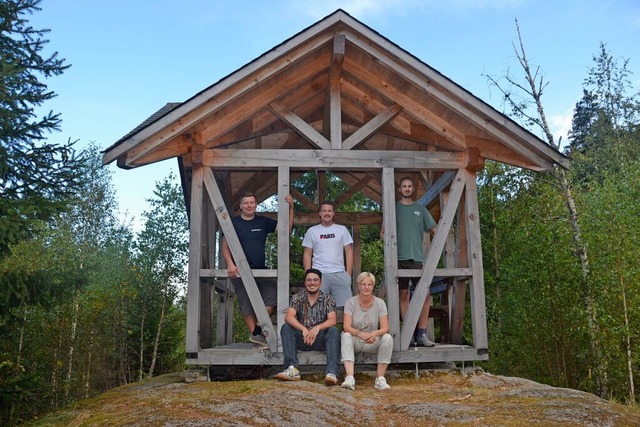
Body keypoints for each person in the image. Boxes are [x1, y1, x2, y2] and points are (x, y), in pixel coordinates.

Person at [221, 192, 294, 348]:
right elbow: (225, 245)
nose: (249, 205)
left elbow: (286, 229)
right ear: (240, 206)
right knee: (246, 303)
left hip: (261, 270)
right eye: (246, 203)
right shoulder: (233, 223)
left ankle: (257, 332)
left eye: (252, 202)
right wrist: (229, 264)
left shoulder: (262, 222)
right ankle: (257, 336)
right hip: (240, 271)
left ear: (256, 205)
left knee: (274, 295)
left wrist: (291, 207)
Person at [382, 177, 437, 347]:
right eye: (404, 186)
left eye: (409, 186)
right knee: (404, 295)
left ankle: (421, 334)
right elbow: (383, 233)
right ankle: (409, 334)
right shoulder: (393, 208)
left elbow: (435, 230)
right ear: (399, 189)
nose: (406, 189)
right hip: (398, 258)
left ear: (413, 189)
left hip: (417, 258)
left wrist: (434, 254)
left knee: (425, 295)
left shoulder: (420, 209)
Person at [276, 268, 341, 385]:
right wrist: (303, 329)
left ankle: (332, 373)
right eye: (309, 280)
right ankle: (292, 369)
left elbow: (332, 320)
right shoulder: (297, 298)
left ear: (320, 282)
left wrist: (317, 328)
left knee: (333, 330)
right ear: (305, 282)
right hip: (302, 338)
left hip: (320, 339)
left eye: (315, 280)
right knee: (286, 327)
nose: (312, 283)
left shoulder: (328, 299)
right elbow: (289, 317)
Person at [340, 272, 393, 390]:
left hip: (372, 340)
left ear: (373, 286)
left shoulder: (380, 303)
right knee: (346, 335)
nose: (366, 287)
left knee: (387, 338)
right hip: (356, 341)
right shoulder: (350, 302)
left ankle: (380, 378)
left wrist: (375, 333)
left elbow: (385, 328)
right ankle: (349, 377)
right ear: (358, 286)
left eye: (369, 284)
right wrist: (360, 334)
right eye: (363, 284)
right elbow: (346, 326)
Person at [302, 201, 354, 308]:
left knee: (346, 309)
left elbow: (349, 251)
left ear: (333, 213)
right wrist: (309, 274)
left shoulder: (342, 230)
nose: (327, 213)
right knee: (316, 307)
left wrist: (348, 274)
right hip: (319, 274)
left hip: (339, 273)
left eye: (329, 211)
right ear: (320, 213)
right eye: (324, 211)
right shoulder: (312, 231)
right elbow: (307, 253)